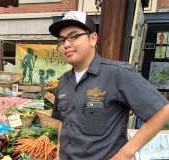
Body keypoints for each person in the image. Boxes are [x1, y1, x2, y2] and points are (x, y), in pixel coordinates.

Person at [49, 11, 169, 160]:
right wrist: (59, 153)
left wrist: (126, 154)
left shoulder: (118, 74)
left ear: (93, 39)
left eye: (73, 36)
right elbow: (64, 122)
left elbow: (162, 111)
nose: (66, 44)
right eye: (61, 40)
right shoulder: (64, 81)